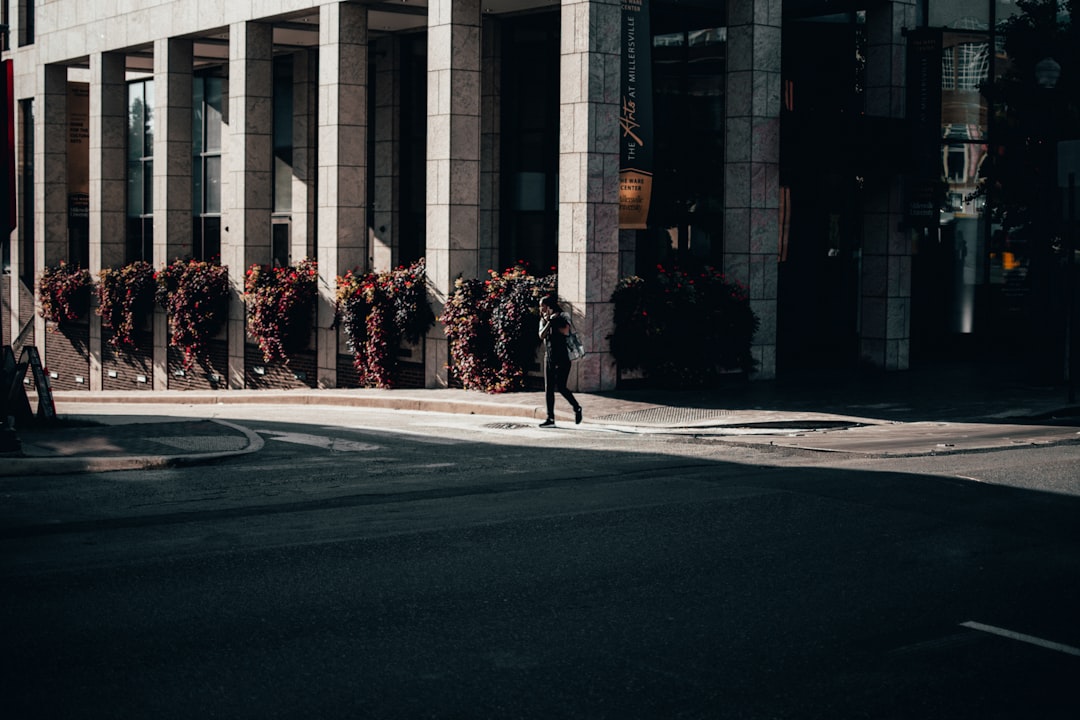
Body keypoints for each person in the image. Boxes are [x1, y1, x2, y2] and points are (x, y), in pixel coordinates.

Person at [537, 295, 583, 428]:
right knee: (549, 388)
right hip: (549, 356)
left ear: (549, 306)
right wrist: (548, 322)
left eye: (543, 306)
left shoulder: (563, 316)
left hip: (563, 356)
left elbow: (565, 331)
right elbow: (541, 335)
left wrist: (554, 320)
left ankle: (576, 407)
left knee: (562, 387)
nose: (541, 308)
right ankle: (550, 418)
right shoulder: (544, 319)